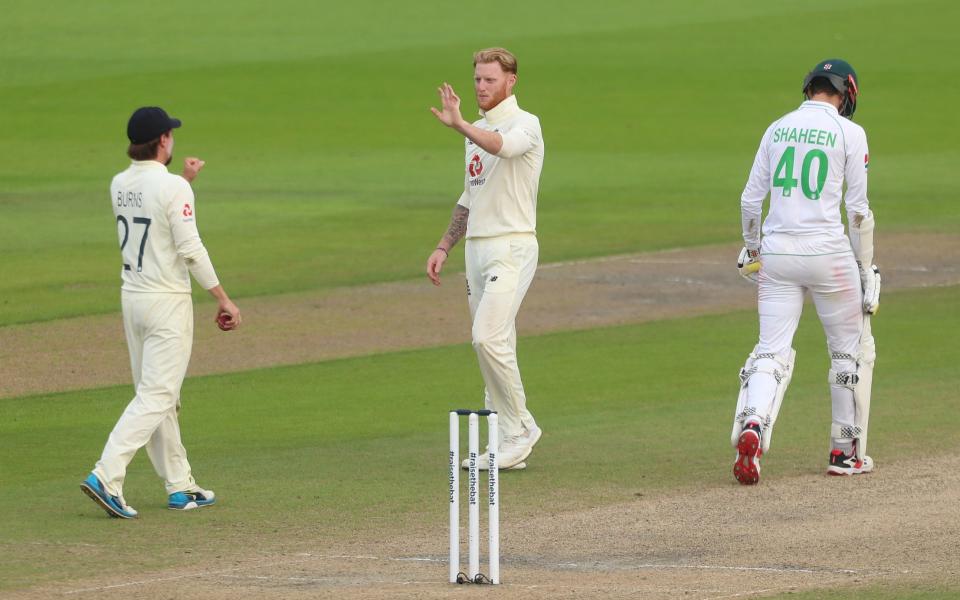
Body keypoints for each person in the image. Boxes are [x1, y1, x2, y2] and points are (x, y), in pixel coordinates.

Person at [80, 107, 241, 518]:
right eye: (171, 134)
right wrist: (222, 297)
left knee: (159, 394)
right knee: (158, 394)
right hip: (167, 300)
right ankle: (106, 475)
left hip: (133, 299)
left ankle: (179, 485)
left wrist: (183, 183)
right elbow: (189, 248)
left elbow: (154, 212)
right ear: (164, 140)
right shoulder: (172, 188)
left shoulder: (120, 183)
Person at [731, 59, 881, 485]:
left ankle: (753, 426)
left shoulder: (777, 127)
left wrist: (754, 249)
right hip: (830, 255)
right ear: (846, 93)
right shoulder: (850, 133)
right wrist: (865, 269)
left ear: (809, 87)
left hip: (777, 255)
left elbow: (748, 201)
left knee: (770, 350)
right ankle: (844, 452)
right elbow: (857, 212)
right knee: (845, 353)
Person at [426, 48, 545, 470]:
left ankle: (519, 432)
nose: (480, 87)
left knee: (487, 337)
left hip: (512, 247)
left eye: (489, 80)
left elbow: (503, 147)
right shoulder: (474, 129)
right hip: (476, 249)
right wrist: (444, 245)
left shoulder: (525, 124)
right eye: (477, 79)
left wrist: (459, 125)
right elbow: (469, 196)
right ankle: (510, 429)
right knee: (497, 342)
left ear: (510, 81)